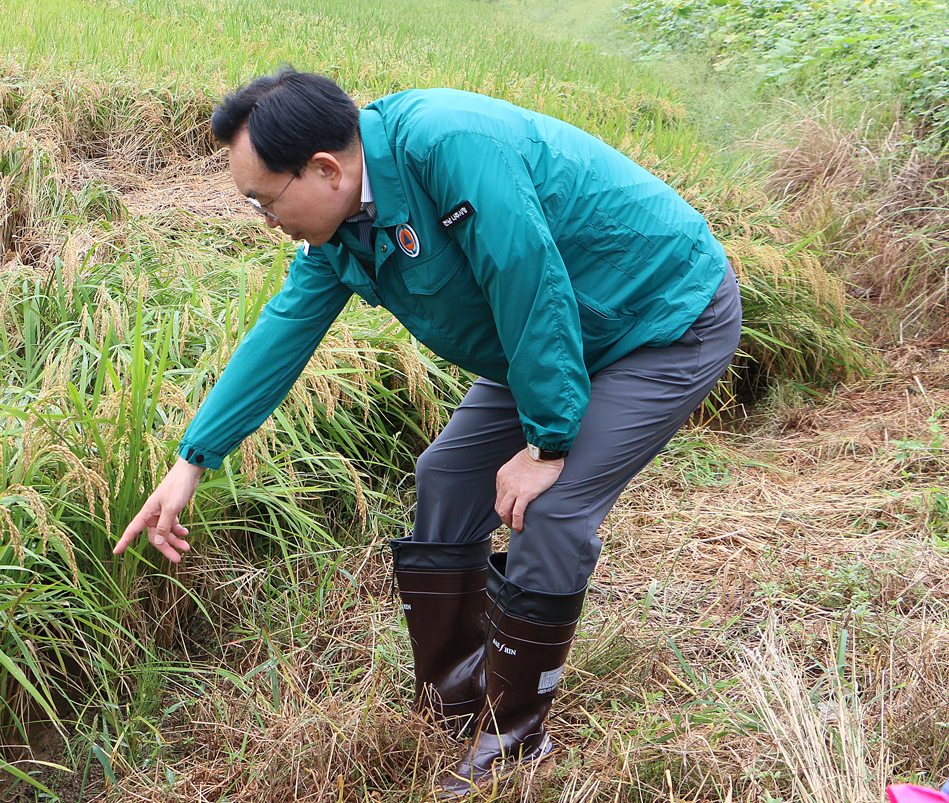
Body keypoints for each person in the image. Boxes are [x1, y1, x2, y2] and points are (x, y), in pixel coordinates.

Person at [112, 68, 742, 797]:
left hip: (657, 319)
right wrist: (191, 462)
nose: (265, 219)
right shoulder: (345, 227)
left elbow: (525, 277)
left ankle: (513, 742)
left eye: (264, 201)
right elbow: (281, 333)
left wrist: (546, 446)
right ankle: (455, 699)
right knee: (447, 474)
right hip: (543, 339)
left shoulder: (449, 145)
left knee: (552, 508)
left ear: (324, 169)